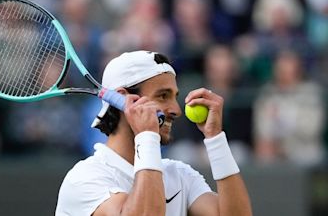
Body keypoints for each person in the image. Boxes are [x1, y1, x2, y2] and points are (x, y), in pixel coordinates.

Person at [55, 51, 252, 215]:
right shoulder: (84, 178)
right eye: (163, 96)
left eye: (175, 96)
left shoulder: (180, 175)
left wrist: (215, 137)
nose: (176, 110)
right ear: (125, 101)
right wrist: (147, 137)